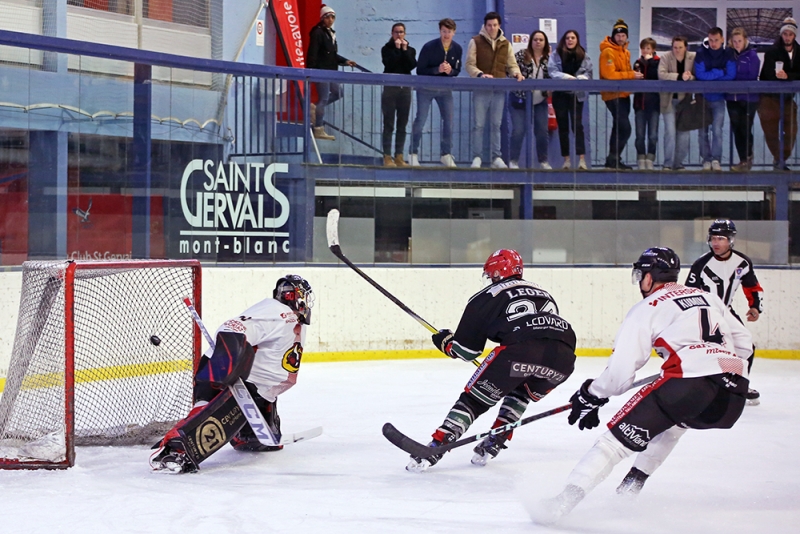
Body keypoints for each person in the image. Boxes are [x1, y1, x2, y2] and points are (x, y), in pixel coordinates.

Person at [533, 247, 752, 524]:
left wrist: (591, 394)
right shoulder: (709, 297)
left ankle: (562, 503)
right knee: (672, 427)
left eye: (641, 275)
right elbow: (744, 345)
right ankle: (628, 492)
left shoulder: (647, 307)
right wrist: (713, 363)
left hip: (689, 383)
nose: (640, 282)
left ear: (650, 277)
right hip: (732, 395)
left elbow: (619, 376)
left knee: (613, 444)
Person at [406, 249, 577, 472]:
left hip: (521, 351)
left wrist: (446, 343)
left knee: (474, 400)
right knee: (522, 391)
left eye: (491, 274)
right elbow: (545, 332)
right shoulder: (544, 293)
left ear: (496, 272)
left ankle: (438, 444)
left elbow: (467, 351)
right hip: (564, 358)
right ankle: (497, 439)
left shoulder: (486, 297)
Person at [149, 275, 314, 473]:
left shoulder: (291, 318)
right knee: (211, 415)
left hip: (258, 390)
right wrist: (227, 368)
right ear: (295, 296)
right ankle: (176, 450)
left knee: (257, 439)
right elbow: (232, 327)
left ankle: (246, 436)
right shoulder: (278, 312)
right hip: (228, 376)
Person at [685, 219, 764, 404]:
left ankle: (738, 385)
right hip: (705, 313)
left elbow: (752, 287)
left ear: (731, 240)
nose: (716, 243)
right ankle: (704, 387)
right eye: (713, 238)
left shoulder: (742, 262)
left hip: (726, 311)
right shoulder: (701, 264)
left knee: (746, 347)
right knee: (712, 349)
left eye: (721, 238)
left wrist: (755, 307)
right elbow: (688, 292)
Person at [466, 11, 523, 169]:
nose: (492, 28)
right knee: (478, 124)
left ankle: (495, 157)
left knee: (496, 124)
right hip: (481, 88)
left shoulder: (506, 44)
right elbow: (469, 64)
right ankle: (477, 157)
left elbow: (511, 64)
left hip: (499, 89)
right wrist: (480, 74)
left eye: (494, 25)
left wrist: (516, 73)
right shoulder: (475, 41)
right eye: (489, 25)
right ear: (485, 26)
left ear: (499, 26)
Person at [409, 18, 462, 168]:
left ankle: (446, 154)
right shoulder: (429, 47)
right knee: (421, 119)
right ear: (440, 31)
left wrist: (450, 71)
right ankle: (412, 153)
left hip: (445, 90)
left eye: (449, 32)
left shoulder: (457, 49)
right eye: (444, 31)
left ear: (454, 32)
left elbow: (457, 70)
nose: (446, 35)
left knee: (449, 121)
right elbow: (420, 70)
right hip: (426, 89)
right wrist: (436, 70)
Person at [307, 5, 357, 141]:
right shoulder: (318, 33)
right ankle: (318, 128)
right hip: (321, 72)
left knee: (338, 93)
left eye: (332, 17)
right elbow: (313, 53)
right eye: (327, 17)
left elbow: (332, 55)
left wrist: (346, 61)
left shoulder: (329, 33)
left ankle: (315, 108)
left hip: (330, 71)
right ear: (322, 18)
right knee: (323, 98)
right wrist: (311, 71)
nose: (330, 19)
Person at [599, 19, 643, 170]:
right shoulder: (608, 52)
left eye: (623, 35)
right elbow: (610, 74)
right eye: (618, 35)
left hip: (624, 94)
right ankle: (613, 159)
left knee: (618, 127)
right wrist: (631, 74)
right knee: (625, 128)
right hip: (612, 94)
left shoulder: (626, 52)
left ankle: (613, 161)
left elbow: (623, 73)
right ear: (613, 36)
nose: (620, 38)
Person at [758, 17, 800, 171]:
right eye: (785, 34)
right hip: (770, 98)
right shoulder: (772, 52)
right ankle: (779, 160)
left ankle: (781, 159)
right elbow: (765, 75)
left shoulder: (799, 52)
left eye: (790, 34)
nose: (787, 37)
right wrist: (778, 76)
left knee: (791, 131)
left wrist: (788, 76)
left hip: (788, 99)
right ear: (781, 35)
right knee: (771, 132)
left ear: (794, 35)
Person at [549, 29, 593, 170]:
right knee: (563, 128)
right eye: (567, 37)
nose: (570, 40)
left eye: (573, 37)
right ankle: (566, 160)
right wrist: (565, 77)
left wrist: (583, 78)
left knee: (577, 127)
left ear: (577, 39)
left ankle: (582, 160)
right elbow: (552, 71)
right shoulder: (556, 54)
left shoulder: (583, 55)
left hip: (576, 95)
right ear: (564, 39)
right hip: (560, 95)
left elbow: (589, 72)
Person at [694, 27, 736, 171]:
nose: (713, 43)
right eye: (711, 40)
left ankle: (716, 159)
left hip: (719, 99)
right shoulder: (701, 53)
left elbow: (731, 75)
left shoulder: (728, 53)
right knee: (702, 132)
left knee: (717, 131)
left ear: (722, 39)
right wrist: (719, 72)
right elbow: (700, 75)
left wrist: (711, 75)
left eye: (716, 40)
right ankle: (706, 159)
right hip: (703, 99)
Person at [508, 30, 551, 169]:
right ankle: (513, 161)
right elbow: (510, 67)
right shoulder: (521, 55)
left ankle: (543, 161)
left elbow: (553, 75)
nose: (538, 42)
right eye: (535, 39)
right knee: (519, 130)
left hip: (540, 101)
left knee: (542, 131)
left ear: (545, 43)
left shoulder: (548, 59)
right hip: (520, 99)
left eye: (541, 40)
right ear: (531, 41)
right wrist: (515, 74)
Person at [381, 22, 417, 167]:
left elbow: (411, 65)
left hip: (405, 89)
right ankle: (387, 156)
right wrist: (396, 49)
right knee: (389, 123)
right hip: (390, 89)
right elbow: (389, 64)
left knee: (402, 123)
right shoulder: (386, 49)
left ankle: (399, 156)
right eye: (396, 32)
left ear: (405, 34)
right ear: (392, 33)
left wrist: (403, 50)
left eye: (401, 32)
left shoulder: (410, 49)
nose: (399, 35)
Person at [658, 36, 695, 171]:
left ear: (685, 47)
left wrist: (690, 77)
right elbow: (661, 74)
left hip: (685, 102)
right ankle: (667, 163)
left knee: (684, 133)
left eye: (680, 47)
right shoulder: (666, 57)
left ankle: (678, 163)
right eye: (675, 47)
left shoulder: (693, 57)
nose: (677, 50)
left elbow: (697, 75)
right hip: (669, 100)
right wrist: (679, 77)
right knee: (670, 132)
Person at [725, 28, 760, 172]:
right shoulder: (729, 55)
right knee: (736, 129)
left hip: (748, 98)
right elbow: (725, 72)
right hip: (731, 97)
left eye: (739, 41)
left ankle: (748, 156)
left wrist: (733, 78)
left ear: (745, 40)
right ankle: (743, 160)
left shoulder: (752, 56)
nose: (737, 43)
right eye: (735, 41)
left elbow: (752, 76)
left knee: (745, 127)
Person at [632, 38, 660, 170]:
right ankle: (641, 157)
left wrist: (649, 62)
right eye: (643, 48)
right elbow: (637, 78)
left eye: (648, 48)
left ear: (653, 50)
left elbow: (655, 76)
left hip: (654, 104)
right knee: (640, 135)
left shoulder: (658, 62)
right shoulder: (637, 63)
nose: (645, 51)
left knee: (653, 135)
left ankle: (650, 157)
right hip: (640, 103)